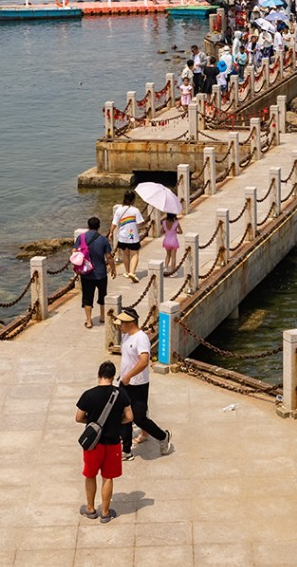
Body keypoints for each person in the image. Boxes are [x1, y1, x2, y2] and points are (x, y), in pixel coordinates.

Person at [76, 360, 133, 523]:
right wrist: (116, 422)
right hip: (113, 443)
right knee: (108, 477)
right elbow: (129, 417)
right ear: (113, 376)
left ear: (98, 375)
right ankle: (106, 512)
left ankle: (90, 509)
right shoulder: (121, 394)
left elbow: (78, 417)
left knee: (90, 475)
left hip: (93, 445)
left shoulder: (89, 394)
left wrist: (92, 423)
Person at [115, 307, 172, 461]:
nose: (120, 325)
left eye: (123, 322)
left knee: (139, 418)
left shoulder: (141, 338)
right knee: (124, 415)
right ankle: (126, 450)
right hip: (124, 382)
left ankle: (162, 436)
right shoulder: (126, 336)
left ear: (131, 322)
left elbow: (144, 361)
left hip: (138, 384)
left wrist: (129, 376)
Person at [76, 216, 113, 329]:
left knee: (87, 297)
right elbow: (109, 256)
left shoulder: (81, 238)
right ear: (98, 226)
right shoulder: (103, 239)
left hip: (86, 273)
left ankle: (89, 321)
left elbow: (74, 252)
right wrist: (113, 269)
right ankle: (102, 316)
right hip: (101, 273)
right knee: (102, 295)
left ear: (88, 226)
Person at [110, 191, 143, 282]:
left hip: (122, 237)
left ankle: (127, 271)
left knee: (125, 254)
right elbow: (140, 224)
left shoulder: (119, 210)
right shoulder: (135, 210)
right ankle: (132, 272)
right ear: (133, 200)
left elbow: (114, 223)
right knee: (134, 254)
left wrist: (110, 233)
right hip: (133, 237)